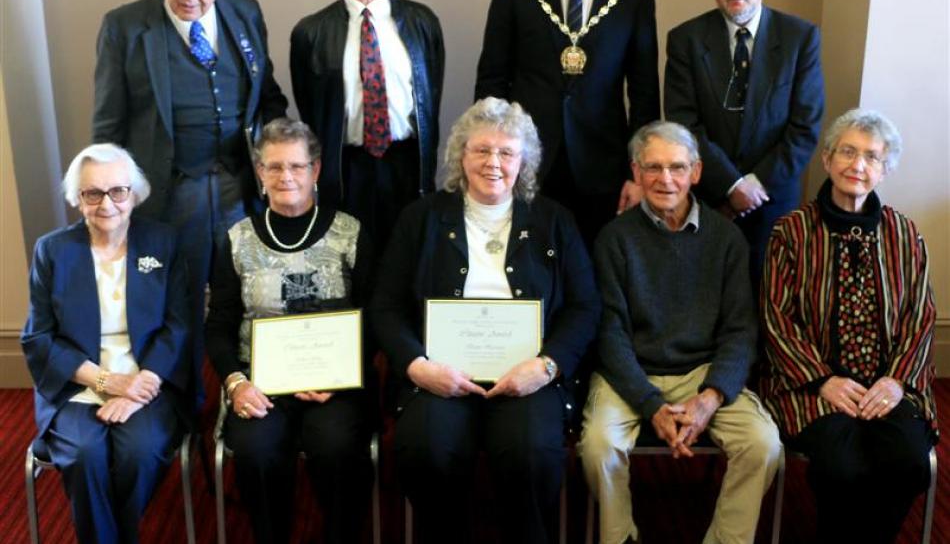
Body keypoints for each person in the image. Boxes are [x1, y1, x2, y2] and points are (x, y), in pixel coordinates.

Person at [370, 98, 600, 544]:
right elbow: (386, 306)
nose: (493, 162)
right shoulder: (420, 219)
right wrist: (417, 366)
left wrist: (547, 365)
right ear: (461, 155)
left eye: (506, 153)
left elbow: (585, 308)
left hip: (528, 375)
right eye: (481, 150)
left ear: (524, 162)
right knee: (426, 447)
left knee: (531, 453)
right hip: (437, 374)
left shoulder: (555, 221)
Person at [92, 0, 289, 405]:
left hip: (240, 186)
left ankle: (258, 395)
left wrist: (280, 159)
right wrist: (110, 202)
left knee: (250, 297)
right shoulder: (124, 27)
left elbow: (267, 96)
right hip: (170, 192)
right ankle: (185, 408)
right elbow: (108, 125)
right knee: (176, 306)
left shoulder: (245, 12)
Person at [579, 121, 782, 544]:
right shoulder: (613, 239)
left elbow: (740, 331)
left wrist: (710, 398)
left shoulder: (727, 239)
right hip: (630, 374)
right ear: (635, 172)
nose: (665, 179)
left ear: (697, 172)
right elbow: (610, 335)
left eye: (677, 166)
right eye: (653, 167)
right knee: (599, 447)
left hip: (703, 373)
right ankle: (621, 538)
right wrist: (651, 404)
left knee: (763, 444)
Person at [760, 109, 936, 543]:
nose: (858, 166)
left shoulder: (904, 233)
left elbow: (921, 316)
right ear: (827, 159)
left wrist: (896, 382)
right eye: (848, 152)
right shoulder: (791, 232)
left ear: (885, 168)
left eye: (872, 157)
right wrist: (822, 380)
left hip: (888, 385)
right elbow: (776, 316)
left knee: (911, 462)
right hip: (812, 386)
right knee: (841, 468)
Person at [205, 118, 374, 544]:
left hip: (335, 383)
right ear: (260, 173)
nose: (286, 177)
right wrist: (236, 383)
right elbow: (220, 324)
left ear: (315, 171)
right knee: (258, 451)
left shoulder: (350, 233)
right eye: (274, 167)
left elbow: (375, 313)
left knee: (335, 447)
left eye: (297, 166)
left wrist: (342, 375)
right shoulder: (236, 239)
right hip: (258, 381)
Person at [21, 144, 190, 544]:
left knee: (140, 451)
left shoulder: (163, 242)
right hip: (79, 383)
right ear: (77, 199)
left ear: (134, 193)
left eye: (118, 191)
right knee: (84, 455)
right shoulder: (53, 250)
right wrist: (106, 382)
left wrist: (138, 388)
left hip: (149, 381)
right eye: (92, 193)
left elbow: (179, 324)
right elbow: (38, 337)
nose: (107, 204)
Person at [475, 0, 660, 248]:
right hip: (526, 163)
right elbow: (491, 81)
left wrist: (638, 173)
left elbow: (643, 93)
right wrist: (494, 160)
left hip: (603, 168)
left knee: (593, 275)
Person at [664, 0, 825, 281]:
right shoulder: (685, 40)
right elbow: (683, 125)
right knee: (705, 297)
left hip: (774, 200)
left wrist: (754, 185)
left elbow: (805, 126)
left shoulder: (801, 38)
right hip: (709, 197)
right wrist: (731, 185)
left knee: (769, 297)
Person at [290, 0, 444, 250]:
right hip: (347, 170)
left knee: (409, 260)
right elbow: (310, 107)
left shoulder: (421, 23)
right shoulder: (311, 33)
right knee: (353, 263)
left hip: (407, 164)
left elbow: (432, 97)